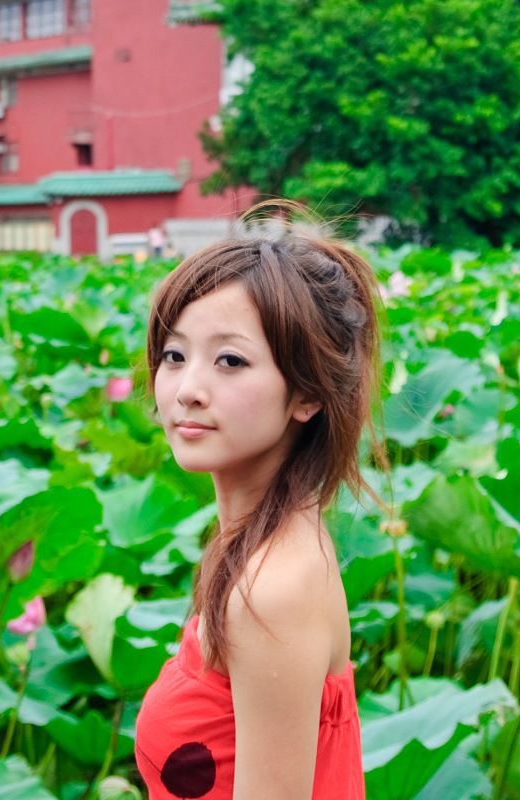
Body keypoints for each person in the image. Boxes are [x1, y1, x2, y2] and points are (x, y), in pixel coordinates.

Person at [132, 202, 381, 800]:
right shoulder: (260, 540)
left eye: (230, 361)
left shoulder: (272, 589)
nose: (188, 390)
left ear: (307, 395)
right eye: (175, 355)